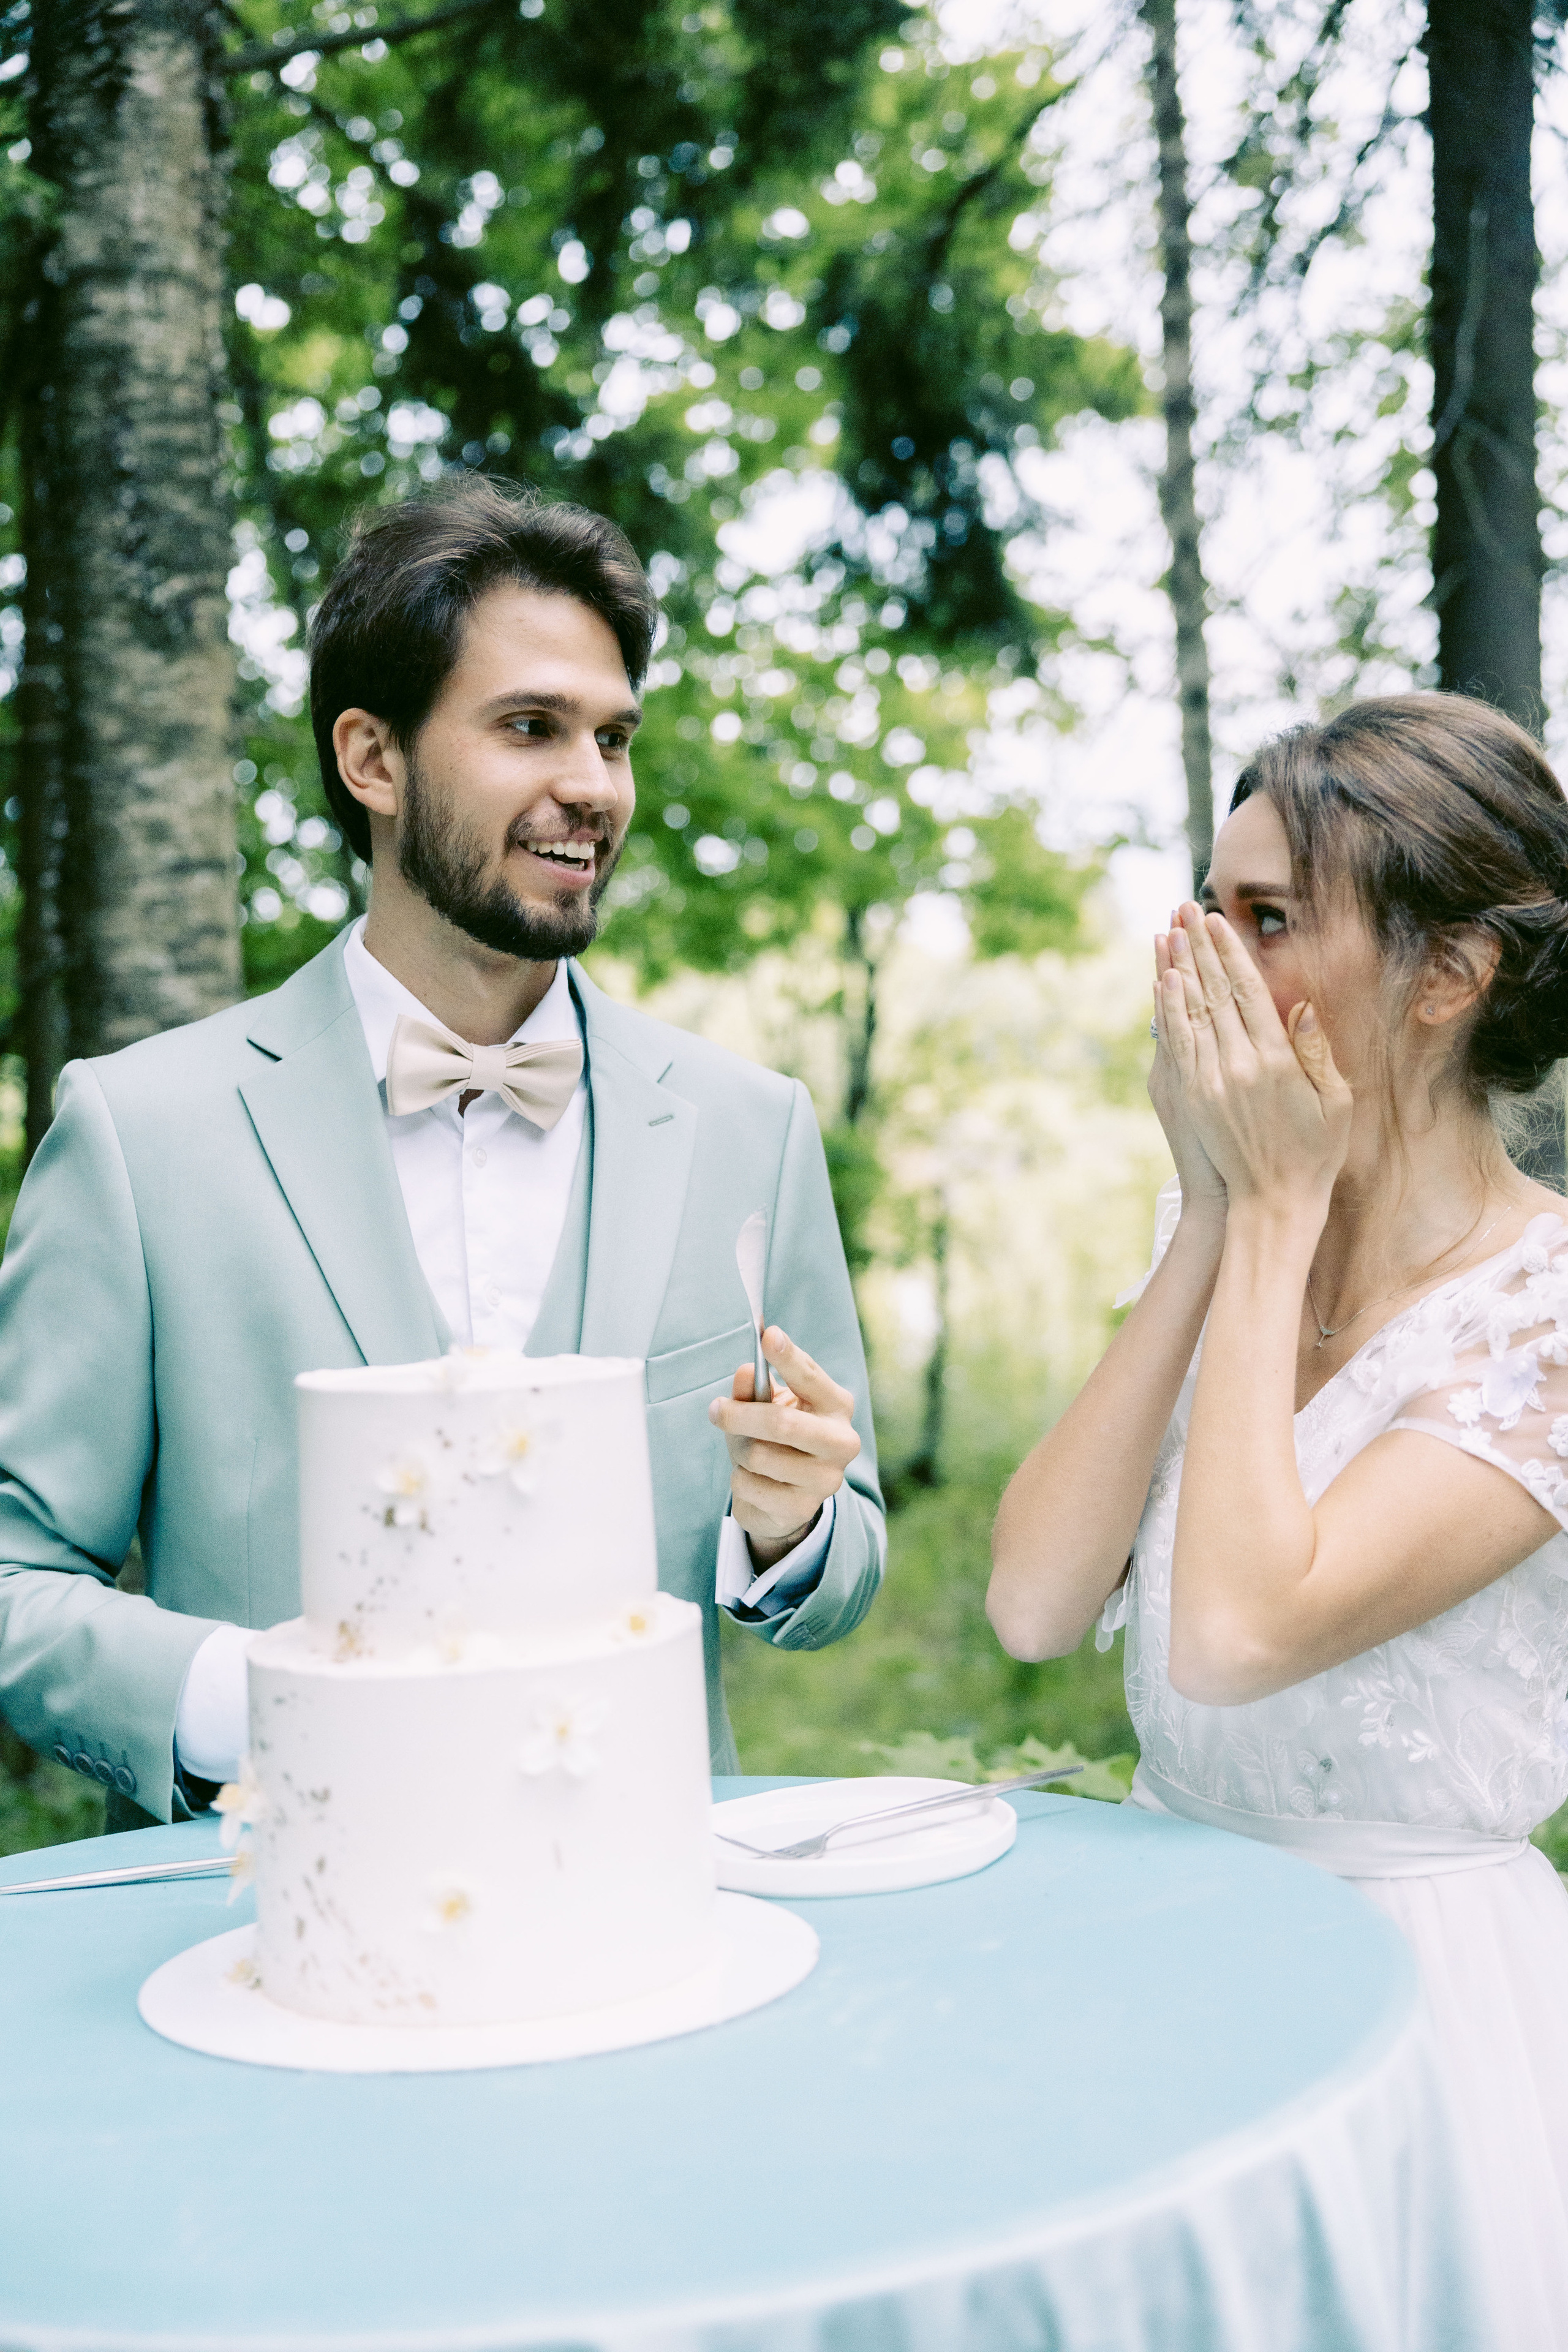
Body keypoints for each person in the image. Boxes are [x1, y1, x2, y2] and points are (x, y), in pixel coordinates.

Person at [0, 479, 884, 1827]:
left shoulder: (743, 1127)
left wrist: (794, 1527)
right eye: (531, 728)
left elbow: (841, 1561)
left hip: (640, 1912)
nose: (590, 787)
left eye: (612, 738)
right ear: (372, 760)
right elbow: (15, 1578)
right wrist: (262, 1702)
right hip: (269, 1933)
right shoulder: (142, 1133)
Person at [988, 694, 1568, 2346]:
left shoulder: (1550, 1309)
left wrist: (1277, 1207)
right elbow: (1034, 1602)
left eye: (1268, 922)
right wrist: (1219, 1221)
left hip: (1418, 2006)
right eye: (1207, 907)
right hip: (1172, 1953)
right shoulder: (1244, 1251)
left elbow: (1242, 1630)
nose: (1207, 965)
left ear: (1444, 979)